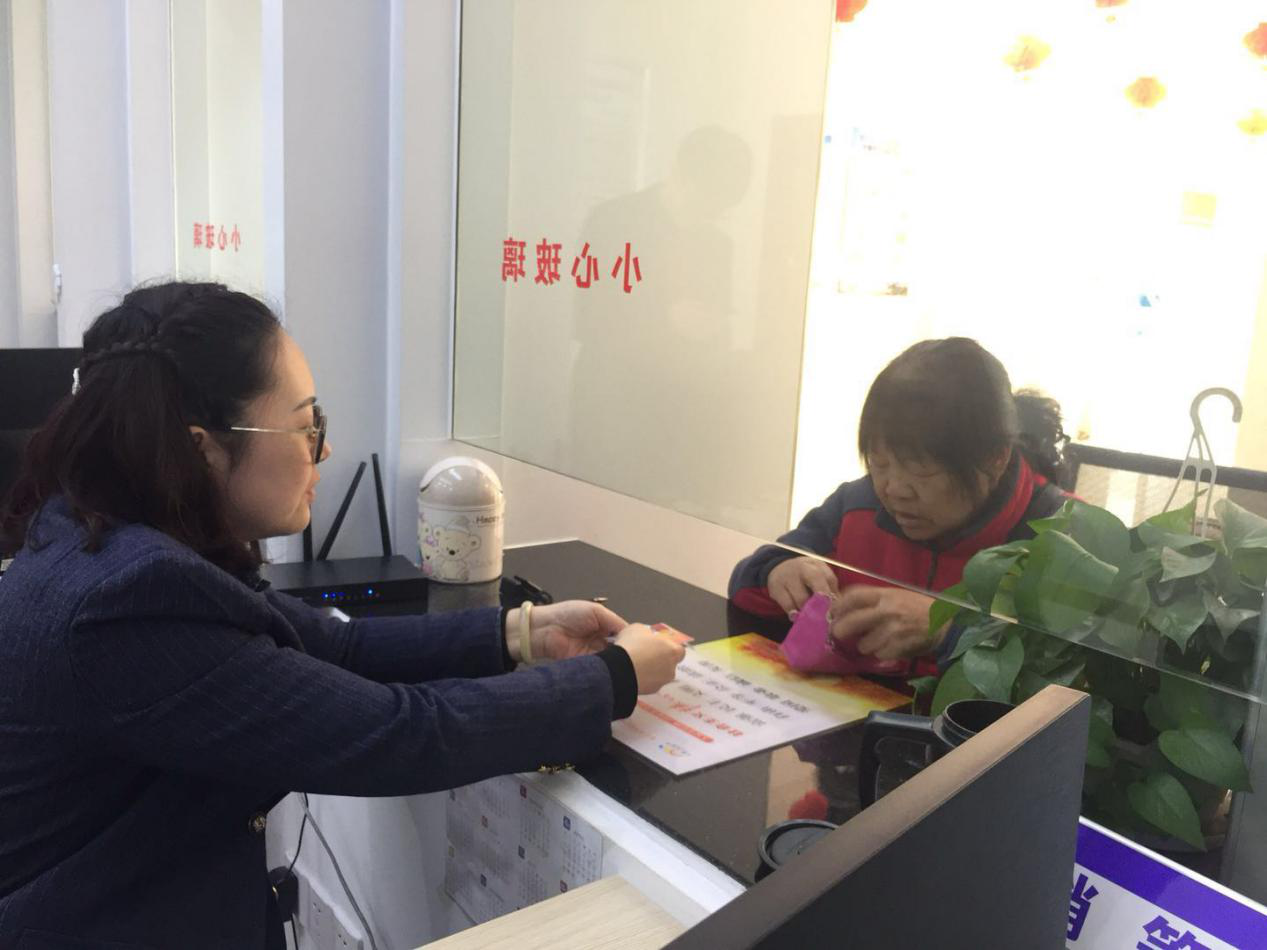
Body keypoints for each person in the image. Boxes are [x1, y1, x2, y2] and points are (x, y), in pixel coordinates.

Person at [0, 282, 685, 950]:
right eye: (306, 426)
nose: (323, 449)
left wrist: (521, 633)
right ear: (201, 446)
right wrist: (613, 679)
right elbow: (400, 736)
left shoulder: (105, 539)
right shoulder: (126, 603)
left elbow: (336, 649)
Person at [729, 337, 1070, 673]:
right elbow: (745, 586)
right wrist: (777, 571)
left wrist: (947, 630)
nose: (893, 490)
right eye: (879, 463)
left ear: (995, 458)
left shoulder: (1061, 535)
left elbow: (1073, 673)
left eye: (920, 468)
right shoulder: (856, 506)